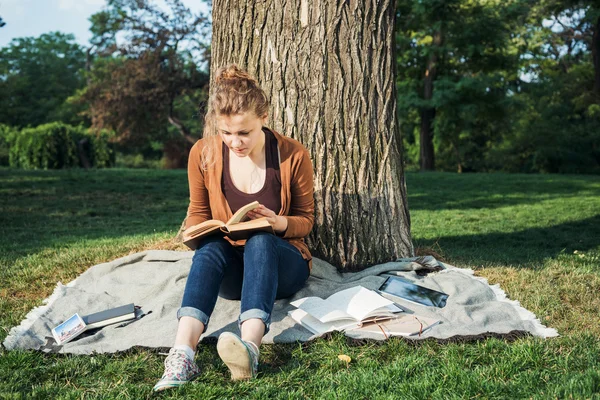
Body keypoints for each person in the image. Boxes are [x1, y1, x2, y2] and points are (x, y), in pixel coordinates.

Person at [153, 64, 315, 392]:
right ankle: (182, 354)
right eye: (226, 133)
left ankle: (250, 349)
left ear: (264, 119)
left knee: (259, 238)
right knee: (211, 248)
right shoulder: (203, 153)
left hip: (283, 265)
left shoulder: (292, 155)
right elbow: (197, 212)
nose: (234, 142)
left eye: (244, 133)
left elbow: (306, 220)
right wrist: (195, 231)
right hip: (232, 274)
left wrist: (277, 222)